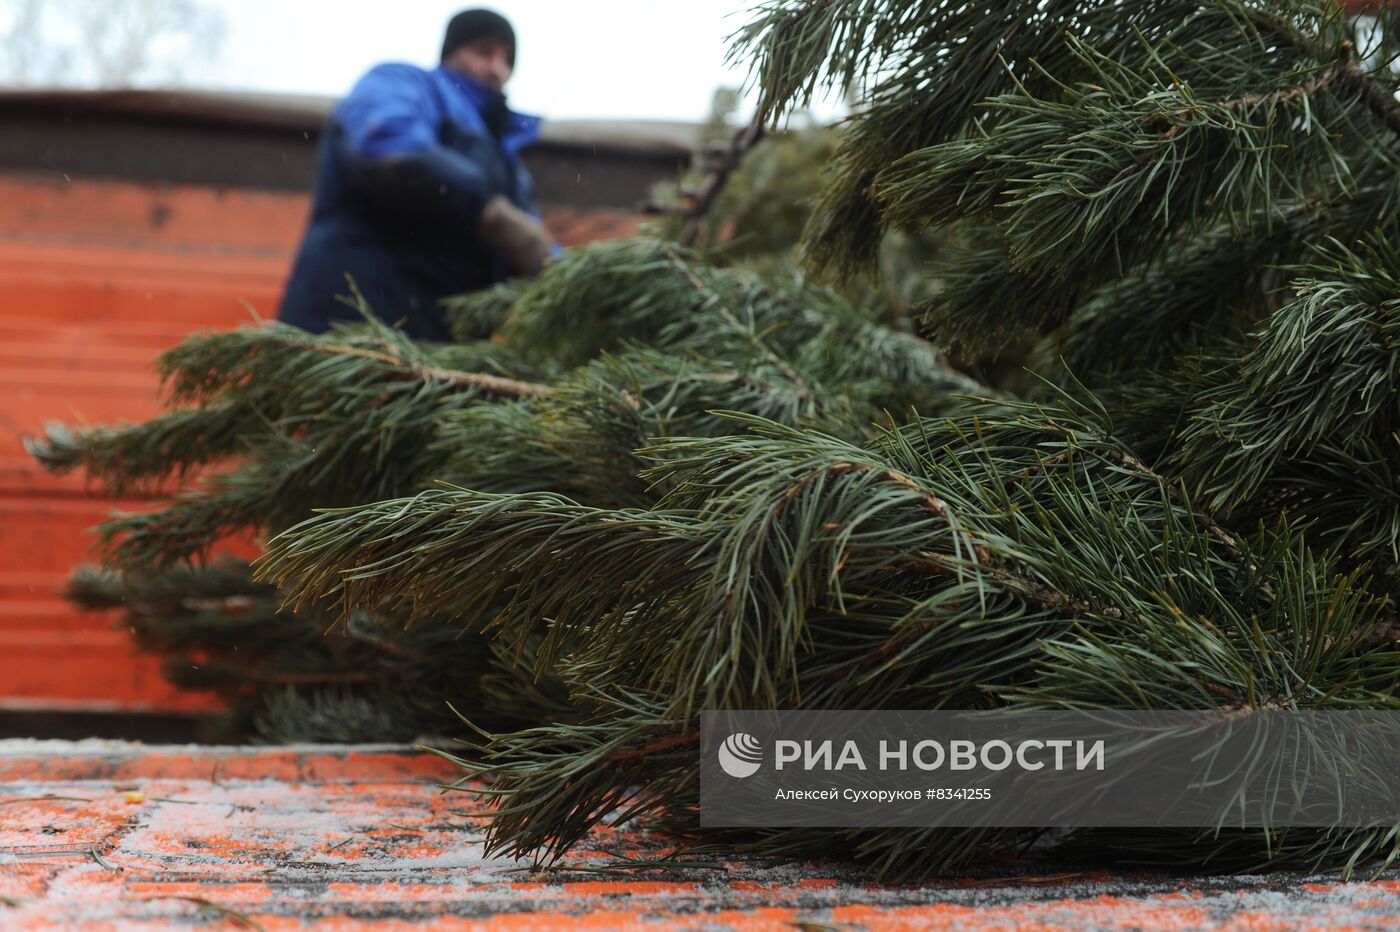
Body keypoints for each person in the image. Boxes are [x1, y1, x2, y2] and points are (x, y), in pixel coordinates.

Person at [277, 8, 552, 341]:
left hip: (435, 344)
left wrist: (573, 276)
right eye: (484, 52)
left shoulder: (505, 157)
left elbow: (532, 238)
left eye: (507, 61)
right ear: (451, 52)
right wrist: (488, 211)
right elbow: (391, 148)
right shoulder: (403, 83)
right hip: (350, 324)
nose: (497, 69)